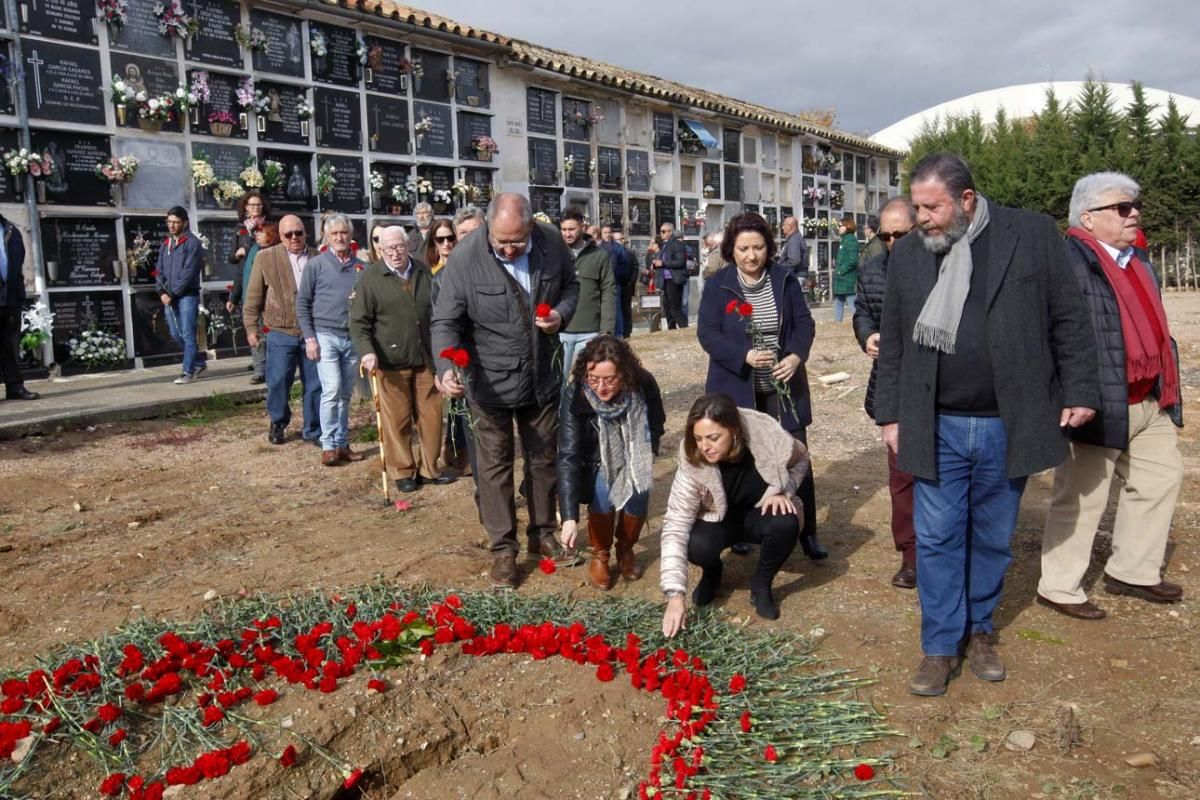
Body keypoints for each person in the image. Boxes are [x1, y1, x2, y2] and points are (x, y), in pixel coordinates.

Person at [873, 152, 1100, 697]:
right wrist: (890, 412)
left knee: (994, 538)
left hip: (1008, 420)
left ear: (968, 200)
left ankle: (979, 630)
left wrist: (1080, 388)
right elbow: (896, 337)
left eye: (932, 207)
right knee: (938, 536)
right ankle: (940, 645)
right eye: (917, 206)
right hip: (936, 421)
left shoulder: (1031, 235)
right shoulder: (909, 254)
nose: (920, 217)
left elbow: (1068, 316)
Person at [1038, 172, 1184, 619]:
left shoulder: (1137, 260)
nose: (1134, 212)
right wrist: (1072, 394)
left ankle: (1133, 570)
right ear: (1088, 217)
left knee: (1161, 478)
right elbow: (1056, 334)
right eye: (1122, 207)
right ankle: (1058, 586)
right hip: (1097, 399)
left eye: (1134, 205)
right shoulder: (1067, 262)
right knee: (1083, 494)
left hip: (1147, 395)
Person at [431, 193, 580, 588]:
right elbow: (445, 321)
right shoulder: (465, 258)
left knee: (543, 457)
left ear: (530, 227)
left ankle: (542, 532)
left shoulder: (552, 243)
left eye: (517, 242)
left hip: (541, 376)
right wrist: (446, 368)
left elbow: (570, 288)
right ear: (489, 229)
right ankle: (502, 549)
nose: (510, 250)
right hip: (489, 382)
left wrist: (562, 314)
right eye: (502, 243)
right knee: (495, 467)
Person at [697, 212, 823, 560]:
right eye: (743, 249)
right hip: (737, 387)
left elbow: (803, 324)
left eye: (758, 247)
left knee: (796, 456)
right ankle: (738, 528)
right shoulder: (719, 284)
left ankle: (807, 531)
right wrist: (744, 355)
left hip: (783, 388)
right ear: (731, 250)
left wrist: (796, 356)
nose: (751, 256)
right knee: (740, 460)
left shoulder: (784, 280)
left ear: (769, 248)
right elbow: (707, 334)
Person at [660, 394, 809, 635]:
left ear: (734, 431)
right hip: (718, 519)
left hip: (759, 513)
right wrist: (675, 596)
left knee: (786, 521)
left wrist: (785, 490)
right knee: (695, 544)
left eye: (713, 438)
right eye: (698, 438)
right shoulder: (692, 462)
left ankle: (761, 584)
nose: (704, 446)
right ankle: (713, 572)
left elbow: (801, 457)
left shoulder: (766, 437)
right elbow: (675, 525)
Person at [558, 335, 665, 589]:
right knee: (604, 492)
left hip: (636, 453)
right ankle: (601, 554)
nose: (601, 387)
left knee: (639, 493)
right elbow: (568, 454)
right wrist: (569, 516)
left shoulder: (642, 383)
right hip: (595, 460)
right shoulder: (576, 393)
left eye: (610, 379)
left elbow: (656, 421)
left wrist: (645, 454)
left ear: (625, 374)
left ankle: (625, 549)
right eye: (594, 379)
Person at [352, 226, 452, 492]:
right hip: (390, 362)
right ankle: (403, 471)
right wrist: (367, 351)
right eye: (388, 248)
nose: (395, 253)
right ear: (379, 250)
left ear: (407, 246)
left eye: (399, 247)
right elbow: (358, 322)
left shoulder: (422, 271)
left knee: (431, 417)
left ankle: (430, 468)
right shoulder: (371, 278)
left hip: (425, 359)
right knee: (397, 420)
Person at [852, 197, 917, 588]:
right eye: (885, 235)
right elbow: (862, 310)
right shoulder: (873, 268)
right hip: (893, 385)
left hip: (941, 386)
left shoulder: (944, 267)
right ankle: (911, 554)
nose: (892, 242)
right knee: (902, 476)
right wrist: (867, 334)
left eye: (900, 234)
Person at [243, 215, 322, 446]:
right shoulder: (265, 258)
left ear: (305, 233)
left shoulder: (318, 257)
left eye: (299, 233)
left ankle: (313, 429)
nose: (294, 238)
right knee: (277, 380)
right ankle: (278, 420)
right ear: (280, 236)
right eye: (289, 234)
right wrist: (251, 327)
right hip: (280, 330)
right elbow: (254, 295)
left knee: (315, 382)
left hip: (312, 332)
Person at [296, 214, 366, 467]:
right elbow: (302, 303)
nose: (340, 237)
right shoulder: (316, 265)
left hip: (351, 337)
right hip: (325, 335)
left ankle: (342, 443)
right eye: (334, 233)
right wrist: (310, 338)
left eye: (344, 233)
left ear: (351, 235)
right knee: (332, 389)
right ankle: (328, 445)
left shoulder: (361, 268)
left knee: (346, 393)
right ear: (327, 236)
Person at [558, 208, 615, 378]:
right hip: (561, 330)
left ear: (582, 227)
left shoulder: (599, 256)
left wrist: (607, 330)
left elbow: (608, 291)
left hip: (590, 331)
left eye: (572, 229)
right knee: (557, 384)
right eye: (564, 230)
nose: (567, 234)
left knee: (587, 384)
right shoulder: (554, 254)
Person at [156, 206, 207, 385]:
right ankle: (199, 361)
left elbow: (189, 271)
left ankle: (188, 371)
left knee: (187, 334)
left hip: (187, 295)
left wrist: (172, 292)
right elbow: (159, 270)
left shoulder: (192, 243)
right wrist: (161, 291)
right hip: (169, 296)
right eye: (169, 222)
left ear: (184, 222)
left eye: (176, 222)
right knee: (175, 333)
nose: (171, 225)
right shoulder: (166, 243)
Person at [228, 191, 274, 384]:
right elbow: (236, 263)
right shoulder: (241, 230)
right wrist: (233, 297)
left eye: (258, 205)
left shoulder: (272, 228)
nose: (255, 208)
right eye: (252, 205)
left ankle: (264, 364)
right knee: (254, 328)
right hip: (248, 284)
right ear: (245, 208)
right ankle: (259, 366)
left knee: (268, 330)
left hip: (269, 291)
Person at [0, 214, 38, 401]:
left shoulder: (11, 230)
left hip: (10, 297)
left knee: (10, 345)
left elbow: (18, 260)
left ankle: (15, 387)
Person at [599, 228, 636, 339]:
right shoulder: (598, 248)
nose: (607, 234)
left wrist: (616, 275)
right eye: (605, 232)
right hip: (600, 282)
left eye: (609, 232)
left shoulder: (618, 248)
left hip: (615, 282)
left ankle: (618, 333)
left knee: (617, 308)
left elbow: (625, 265)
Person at [652, 222, 688, 329]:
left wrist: (663, 263)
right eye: (661, 231)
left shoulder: (677, 245)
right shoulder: (665, 245)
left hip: (674, 279)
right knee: (667, 308)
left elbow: (680, 262)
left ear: (670, 232)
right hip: (665, 280)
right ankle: (671, 329)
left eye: (663, 231)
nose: (661, 234)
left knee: (674, 308)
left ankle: (685, 327)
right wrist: (656, 264)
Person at [832, 216, 859, 321]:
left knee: (852, 303)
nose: (838, 228)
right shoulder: (844, 240)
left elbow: (853, 260)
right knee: (838, 301)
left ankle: (860, 321)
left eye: (840, 226)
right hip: (841, 278)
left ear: (847, 226)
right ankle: (837, 323)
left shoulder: (851, 240)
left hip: (847, 278)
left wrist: (840, 271)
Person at [776, 216, 809, 282]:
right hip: (796, 275)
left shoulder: (794, 239)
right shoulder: (794, 237)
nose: (782, 228)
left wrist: (780, 268)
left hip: (795, 275)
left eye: (784, 225)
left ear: (790, 226)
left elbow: (794, 260)